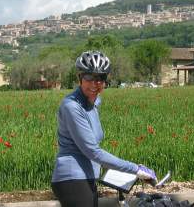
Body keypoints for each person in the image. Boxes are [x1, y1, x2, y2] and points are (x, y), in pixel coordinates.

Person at [51, 50, 157, 207]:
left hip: (87, 178)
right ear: (79, 78)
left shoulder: (94, 103)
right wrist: (135, 169)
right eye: (89, 77)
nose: (95, 83)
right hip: (72, 178)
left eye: (101, 78)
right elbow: (93, 151)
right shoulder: (71, 106)